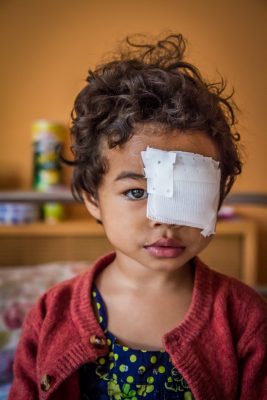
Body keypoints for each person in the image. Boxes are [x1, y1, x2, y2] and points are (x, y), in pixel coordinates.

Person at [9, 34, 267, 400]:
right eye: (136, 192)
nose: (164, 220)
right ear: (92, 199)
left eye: (188, 192)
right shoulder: (51, 313)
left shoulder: (248, 320)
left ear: (219, 196)